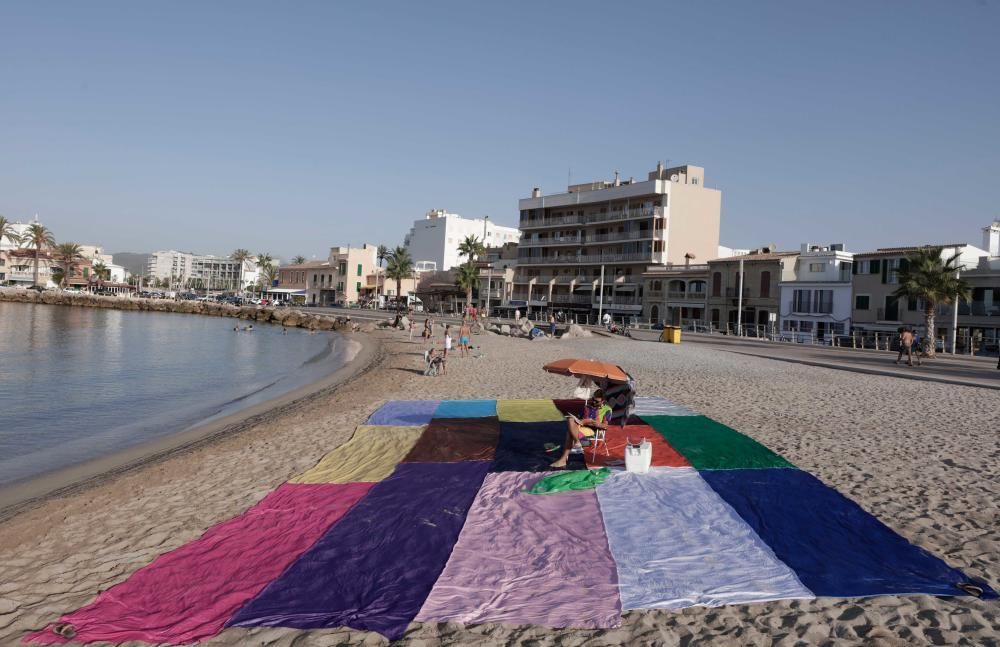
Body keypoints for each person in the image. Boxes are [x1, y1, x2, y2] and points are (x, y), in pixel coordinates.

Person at [550, 390, 613, 469]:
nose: (593, 402)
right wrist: (580, 420)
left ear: (603, 401)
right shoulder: (588, 406)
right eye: (592, 399)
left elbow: (605, 426)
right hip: (583, 426)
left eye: (596, 401)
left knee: (570, 433)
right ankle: (577, 443)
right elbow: (581, 418)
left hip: (594, 430)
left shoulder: (607, 409)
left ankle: (563, 459)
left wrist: (594, 422)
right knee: (570, 419)